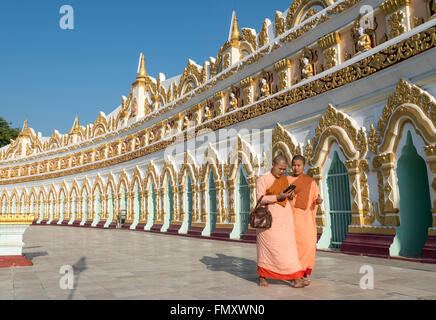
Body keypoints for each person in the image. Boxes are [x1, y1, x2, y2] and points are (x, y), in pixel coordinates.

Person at [256, 155, 306, 288]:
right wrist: (277, 196)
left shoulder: (284, 179)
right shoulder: (263, 179)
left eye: (284, 169)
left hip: (285, 219)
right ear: (273, 165)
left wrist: (289, 196)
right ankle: (263, 277)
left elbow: (286, 198)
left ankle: (294, 277)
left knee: (288, 249)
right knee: (267, 250)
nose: (282, 172)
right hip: (269, 221)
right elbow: (260, 199)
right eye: (280, 168)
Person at [287, 155, 323, 286]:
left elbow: (315, 197)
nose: (296, 168)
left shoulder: (310, 181)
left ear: (304, 166)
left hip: (306, 220)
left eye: (299, 165)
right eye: (294, 165)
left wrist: (317, 201)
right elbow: (281, 198)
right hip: (291, 220)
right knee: (293, 249)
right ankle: (295, 276)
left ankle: (302, 273)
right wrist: (288, 197)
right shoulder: (287, 180)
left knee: (308, 245)